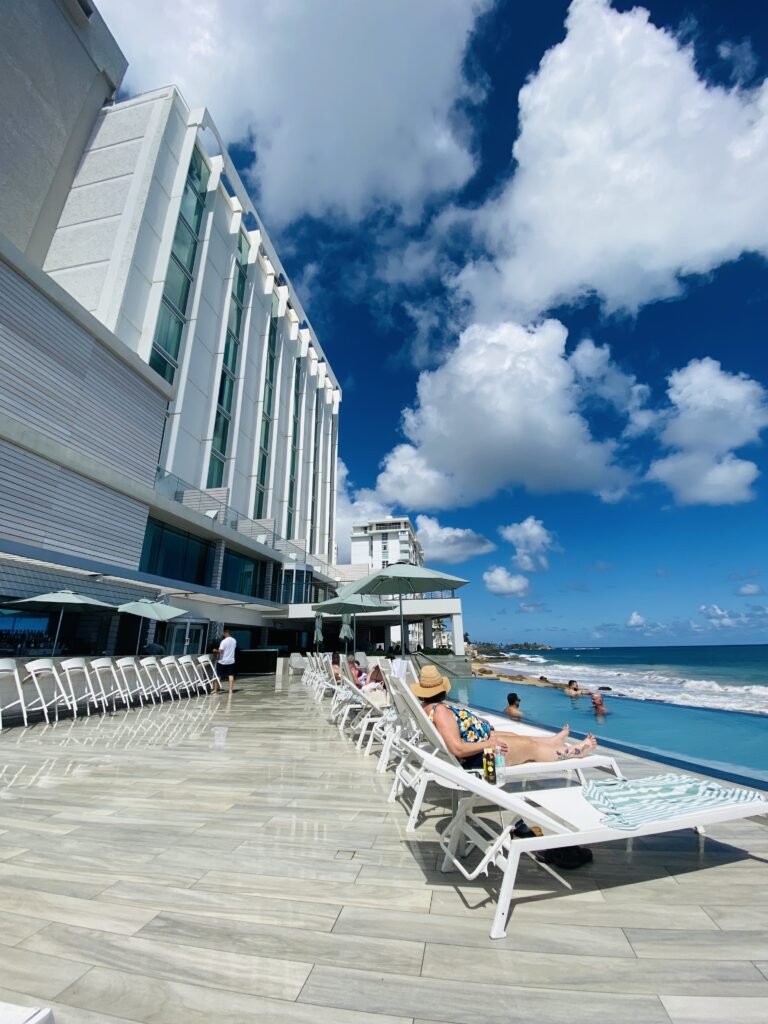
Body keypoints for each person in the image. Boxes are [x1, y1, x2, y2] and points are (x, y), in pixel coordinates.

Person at [411, 665, 596, 770]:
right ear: (442, 689)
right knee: (530, 748)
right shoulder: (441, 712)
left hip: (481, 745)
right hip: (482, 758)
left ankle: (553, 740)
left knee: (520, 738)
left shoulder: (428, 707)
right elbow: (457, 749)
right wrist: (487, 744)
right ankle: (576, 752)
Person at [213, 628, 237, 695]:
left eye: (223, 633)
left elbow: (221, 651)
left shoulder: (223, 641)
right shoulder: (234, 640)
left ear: (225, 633)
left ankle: (215, 689)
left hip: (222, 661)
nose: (223, 635)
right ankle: (230, 690)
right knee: (231, 675)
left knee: (218, 675)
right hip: (231, 661)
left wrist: (215, 650)